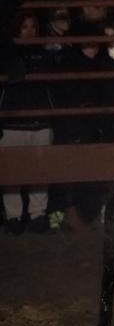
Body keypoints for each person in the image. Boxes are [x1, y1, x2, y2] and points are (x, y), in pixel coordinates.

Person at [1, 13, 55, 235]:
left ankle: (38, 214)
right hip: (11, 122)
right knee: (11, 171)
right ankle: (14, 216)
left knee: (40, 171)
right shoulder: (5, 55)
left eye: (33, 27)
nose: (30, 32)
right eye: (24, 27)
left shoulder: (46, 55)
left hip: (41, 121)